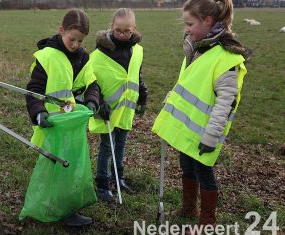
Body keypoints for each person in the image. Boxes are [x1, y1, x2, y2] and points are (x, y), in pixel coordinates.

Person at [152, 0, 249, 231]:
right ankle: (189, 208)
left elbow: (225, 103)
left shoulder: (226, 58)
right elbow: (189, 84)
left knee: (203, 172)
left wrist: (211, 136)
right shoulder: (198, 48)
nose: (186, 29)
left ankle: (208, 221)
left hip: (206, 133)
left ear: (208, 21)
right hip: (189, 131)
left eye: (190, 23)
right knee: (186, 166)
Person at [25, 9, 100, 226]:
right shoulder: (47, 57)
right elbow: (34, 90)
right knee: (53, 165)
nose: (75, 44)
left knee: (67, 165)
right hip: (51, 123)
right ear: (61, 31)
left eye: (80, 40)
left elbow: (91, 83)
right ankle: (55, 207)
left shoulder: (83, 57)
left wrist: (92, 100)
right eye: (72, 39)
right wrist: (38, 113)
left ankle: (63, 208)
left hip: (70, 123)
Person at [88, 8, 148, 202]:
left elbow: (136, 74)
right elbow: (90, 81)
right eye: (118, 30)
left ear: (134, 29)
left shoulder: (137, 50)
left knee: (121, 144)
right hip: (107, 110)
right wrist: (99, 103)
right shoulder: (99, 54)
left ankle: (118, 178)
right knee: (107, 147)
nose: (122, 34)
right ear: (111, 27)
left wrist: (143, 93)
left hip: (126, 109)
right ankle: (103, 185)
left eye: (127, 31)